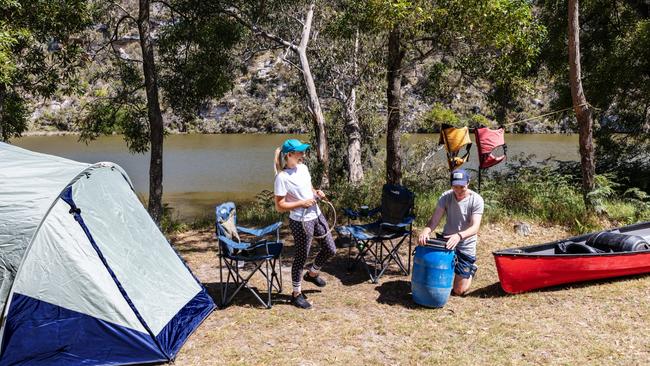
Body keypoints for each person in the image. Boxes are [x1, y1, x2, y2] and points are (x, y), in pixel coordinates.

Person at [273, 139, 337, 309]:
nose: (303, 154)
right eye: (300, 152)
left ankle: (312, 273)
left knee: (330, 248)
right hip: (300, 221)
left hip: (316, 214)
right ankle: (296, 294)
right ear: (289, 155)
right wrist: (301, 204)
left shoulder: (303, 168)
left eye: (303, 151)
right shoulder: (282, 177)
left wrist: (317, 192)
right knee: (301, 257)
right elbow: (280, 206)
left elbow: (308, 188)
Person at [417, 169, 484, 295]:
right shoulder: (446, 196)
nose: (458, 190)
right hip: (446, 242)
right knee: (434, 276)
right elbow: (434, 220)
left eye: (462, 187)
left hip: (466, 244)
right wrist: (425, 231)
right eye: (455, 187)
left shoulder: (476, 199)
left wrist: (459, 236)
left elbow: (475, 227)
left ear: (468, 183)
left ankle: (471, 270)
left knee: (459, 291)